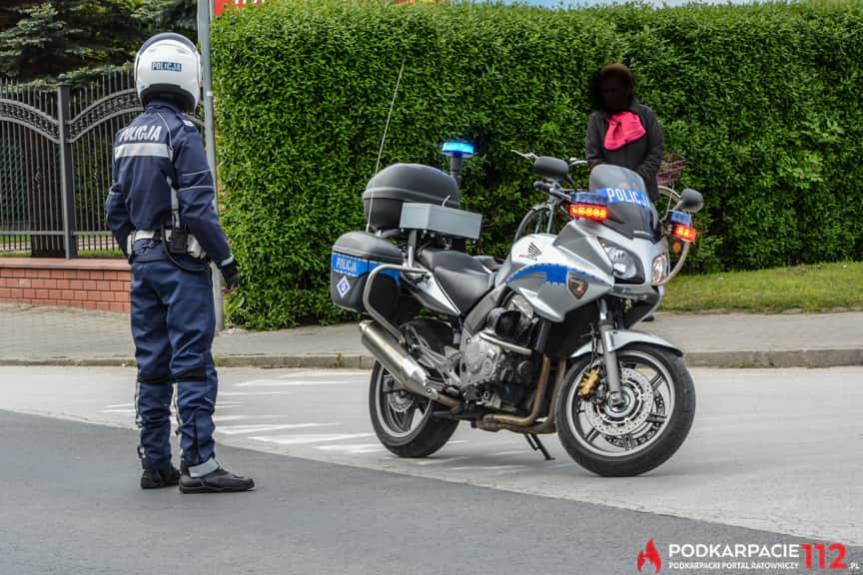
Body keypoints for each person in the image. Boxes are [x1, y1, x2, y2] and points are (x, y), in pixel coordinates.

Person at [105, 33, 254, 493]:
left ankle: (155, 463)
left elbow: (115, 210)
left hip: (144, 263)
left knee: (152, 365)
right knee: (191, 363)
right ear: (190, 78)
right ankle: (200, 464)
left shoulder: (127, 135)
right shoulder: (182, 133)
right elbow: (199, 211)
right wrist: (227, 263)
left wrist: (136, 247)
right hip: (181, 263)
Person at [585, 63, 665, 202]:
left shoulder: (646, 115)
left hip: (643, 192)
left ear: (627, 90)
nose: (609, 95)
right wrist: (615, 181)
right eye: (605, 91)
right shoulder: (596, 120)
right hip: (609, 193)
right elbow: (594, 156)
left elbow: (656, 150)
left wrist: (634, 180)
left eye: (615, 90)